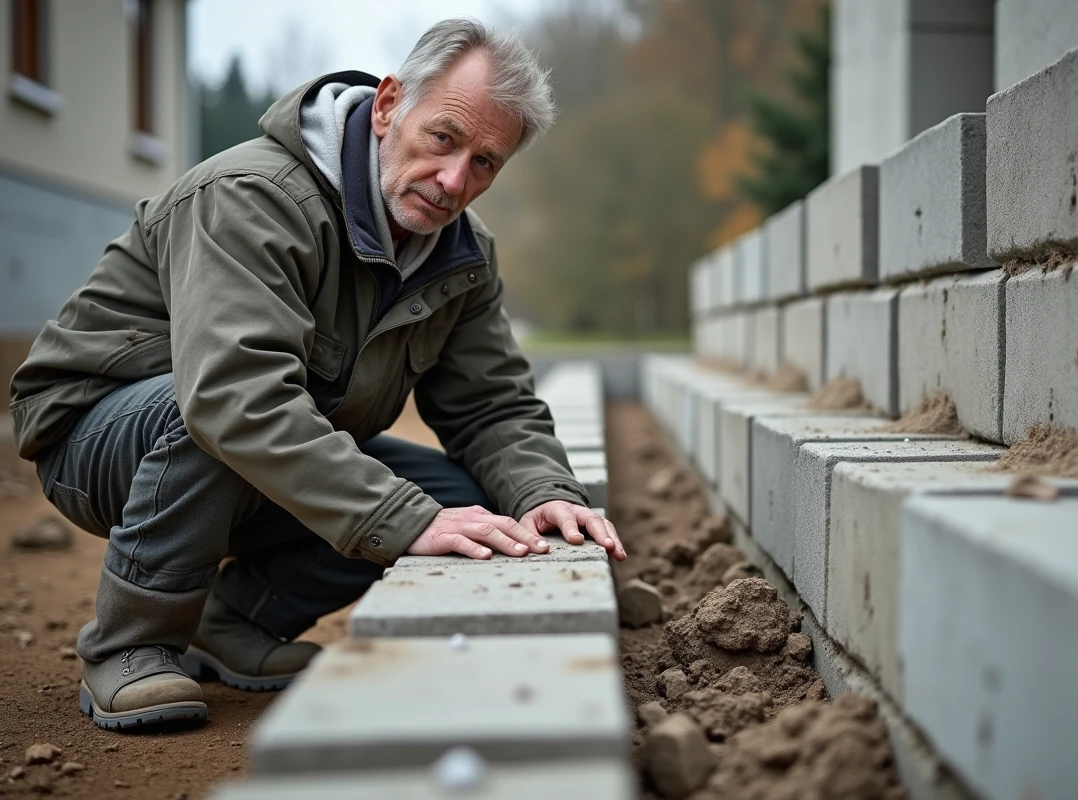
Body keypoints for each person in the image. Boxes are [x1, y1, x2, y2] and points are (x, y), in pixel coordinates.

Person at [8, 18, 624, 732]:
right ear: (389, 105)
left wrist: (545, 493)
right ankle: (131, 645)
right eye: (443, 138)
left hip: (247, 451)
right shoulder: (251, 197)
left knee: (468, 505)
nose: (455, 180)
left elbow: (491, 407)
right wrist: (401, 519)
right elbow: (234, 397)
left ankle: (235, 621)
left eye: (485, 162)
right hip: (100, 438)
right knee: (217, 416)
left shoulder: (461, 255)